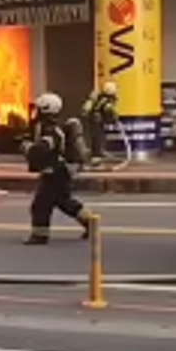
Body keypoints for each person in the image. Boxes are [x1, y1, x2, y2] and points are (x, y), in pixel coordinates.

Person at [23, 91, 91, 245]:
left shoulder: (51, 130)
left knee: (41, 204)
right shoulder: (49, 126)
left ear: (46, 109)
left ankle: (39, 235)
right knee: (63, 201)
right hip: (59, 170)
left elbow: (43, 149)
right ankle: (90, 221)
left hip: (56, 171)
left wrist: (27, 148)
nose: (36, 112)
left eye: (39, 109)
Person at [82, 81, 120, 164]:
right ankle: (96, 156)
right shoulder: (106, 100)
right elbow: (108, 110)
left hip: (95, 120)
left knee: (99, 136)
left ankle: (99, 152)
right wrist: (114, 117)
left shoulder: (100, 98)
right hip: (96, 121)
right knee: (97, 137)